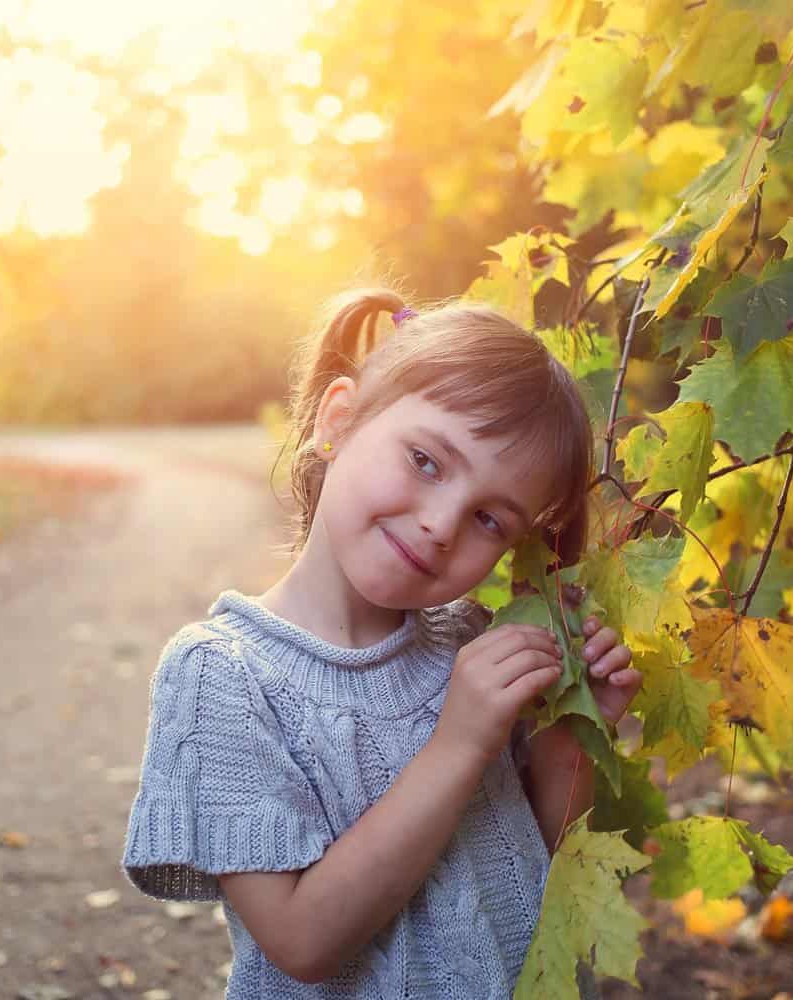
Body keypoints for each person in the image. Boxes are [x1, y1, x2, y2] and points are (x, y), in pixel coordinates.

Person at [120, 288, 643, 998]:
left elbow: (539, 861)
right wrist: (460, 743)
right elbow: (304, 941)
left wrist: (570, 741)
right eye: (427, 461)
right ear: (337, 420)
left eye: (490, 519)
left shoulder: (469, 642)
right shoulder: (224, 676)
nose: (440, 523)